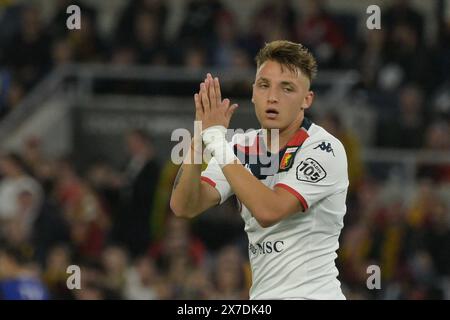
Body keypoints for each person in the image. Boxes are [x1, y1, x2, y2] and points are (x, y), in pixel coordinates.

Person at [170, 40, 349, 300]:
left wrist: (218, 143)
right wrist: (200, 138)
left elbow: (269, 211)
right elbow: (184, 206)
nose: (272, 96)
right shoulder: (241, 146)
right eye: (264, 85)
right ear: (253, 92)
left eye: (287, 88)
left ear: (306, 100)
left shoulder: (324, 149)